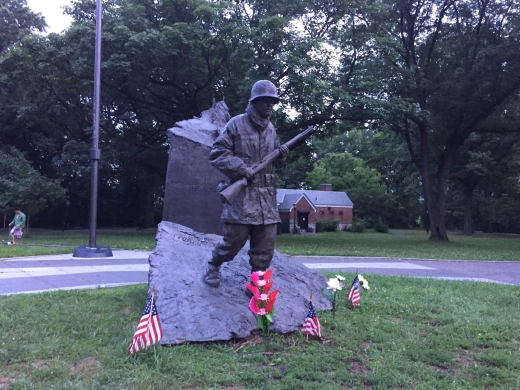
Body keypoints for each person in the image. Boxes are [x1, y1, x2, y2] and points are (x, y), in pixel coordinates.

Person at [202, 80, 289, 287]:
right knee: (233, 241)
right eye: (265, 101)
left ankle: (257, 281)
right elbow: (217, 153)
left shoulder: (271, 130)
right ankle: (213, 265)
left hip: (266, 198)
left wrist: (282, 156)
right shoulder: (236, 124)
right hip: (243, 197)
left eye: (272, 102)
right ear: (254, 102)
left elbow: (272, 161)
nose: (270, 105)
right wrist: (241, 168)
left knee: (265, 245)